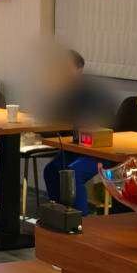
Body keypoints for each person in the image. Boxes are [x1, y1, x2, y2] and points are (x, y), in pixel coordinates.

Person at [42, 47, 116, 213]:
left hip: (99, 151)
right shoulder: (64, 92)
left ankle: (81, 221)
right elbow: (55, 121)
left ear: (79, 69)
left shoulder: (92, 92)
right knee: (51, 170)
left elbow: (105, 124)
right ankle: (60, 215)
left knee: (73, 173)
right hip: (76, 148)